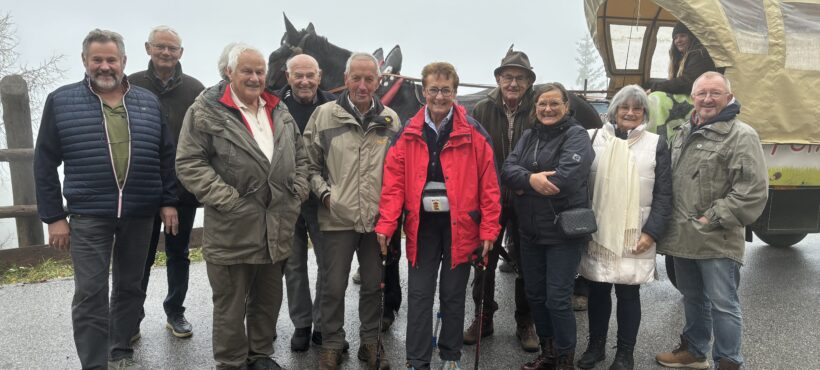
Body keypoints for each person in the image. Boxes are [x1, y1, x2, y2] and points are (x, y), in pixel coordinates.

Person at [33, 29, 178, 370]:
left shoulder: (147, 102)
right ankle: (94, 363)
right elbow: (44, 161)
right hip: (88, 214)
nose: (104, 66)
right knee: (90, 292)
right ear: (85, 61)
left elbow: (165, 156)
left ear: (124, 62)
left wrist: (168, 200)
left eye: (111, 59)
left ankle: (120, 348)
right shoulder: (61, 100)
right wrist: (54, 217)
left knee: (130, 286)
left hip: (141, 212)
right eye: (97, 59)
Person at [175, 43, 309, 370]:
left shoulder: (278, 109)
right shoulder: (205, 111)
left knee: (268, 299)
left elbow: (301, 157)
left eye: (259, 71)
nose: (254, 77)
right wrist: (228, 200)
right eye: (247, 71)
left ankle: (260, 355)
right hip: (233, 226)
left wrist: (298, 191)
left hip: (276, 223)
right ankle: (231, 361)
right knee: (230, 306)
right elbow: (189, 162)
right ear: (229, 72)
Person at [376, 62, 502, 370]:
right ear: (423, 92)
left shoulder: (474, 132)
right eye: (433, 89)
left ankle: (450, 356)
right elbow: (393, 184)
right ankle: (417, 360)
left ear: (456, 93)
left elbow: (490, 185)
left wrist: (489, 229)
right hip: (423, 224)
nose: (440, 96)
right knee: (419, 293)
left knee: (452, 293)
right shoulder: (407, 133)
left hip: (462, 225)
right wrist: (387, 224)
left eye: (446, 90)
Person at [655, 72, 768, 370]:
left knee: (723, 304)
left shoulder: (742, 135)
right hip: (683, 235)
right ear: (692, 98)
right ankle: (694, 351)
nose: (707, 99)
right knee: (693, 297)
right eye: (701, 93)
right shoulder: (682, 131)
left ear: (728, 98)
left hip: (716, 236)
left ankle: (729, 361)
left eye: (715, 93)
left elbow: (752, 191)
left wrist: (710, 218)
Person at [303, 52, 401, 370]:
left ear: (378, 81)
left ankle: (370, 344)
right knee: (333, 286)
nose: (362, 85)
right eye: (356, 78)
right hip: (336, 218)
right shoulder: (323, 116)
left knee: (374, 285)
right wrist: (327, 196)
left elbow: (398, 173)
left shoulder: (391, 120)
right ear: (345, 79)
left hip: (376, 221)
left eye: (369, 79)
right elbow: (308, 165)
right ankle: (332, 344)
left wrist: (389, 212)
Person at [576, 85, 673, 370]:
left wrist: (651, 232)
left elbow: (664, 194)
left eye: (637, 108)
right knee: (597, 291)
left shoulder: (656, 143)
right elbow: (580, 185)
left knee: (628, 293)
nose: (630, 113)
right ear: (614, 110)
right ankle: (596, 347)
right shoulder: (592, 139)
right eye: (624, 107)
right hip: (598, 231)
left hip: (636, 233)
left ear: (644, 112)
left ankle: (625, 353)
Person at [501, 82, 595, 370]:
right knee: (536, 295)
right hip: (530, 231)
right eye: (542, 103)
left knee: (557, 298)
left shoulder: (576, 136)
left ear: (566, 107)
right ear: (535, 107)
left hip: (562, 233)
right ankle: (549, 352)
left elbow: (564, 180)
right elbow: (507, 170)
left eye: (555, 103)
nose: (548, 109)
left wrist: (523, 183)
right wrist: (532, 180)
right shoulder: (529, 135)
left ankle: (565, 358)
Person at [129, 25, 204, 339]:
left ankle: (175, 312)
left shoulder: (194, 89)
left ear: (181, 53)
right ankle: (131, 317)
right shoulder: (130, 85)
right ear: (148, 48)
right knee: (140, 256)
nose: (166, 53)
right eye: (160, 47)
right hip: (143, 188)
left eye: (172, 48)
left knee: (178, 253)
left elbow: (204, 137)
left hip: (182, 188)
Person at [468, 48, 539, 352]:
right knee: (483, 260)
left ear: (528, 81)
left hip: (527, 198)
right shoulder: (482, 109)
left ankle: (526, 322)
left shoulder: (539, 108)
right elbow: (470, 153)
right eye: (508, 76)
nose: (513, 83)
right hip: (490, 200)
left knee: (527, 263)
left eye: (520, 78)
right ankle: (484, 317)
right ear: (498, 79)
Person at [274, 53, 336, 352]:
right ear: (288, 77)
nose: (305, 81)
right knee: (293, 265)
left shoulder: (333, 108)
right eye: (298, 75)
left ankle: (323, 325)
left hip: (322, 199)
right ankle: (302, 323)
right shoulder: (273, 107)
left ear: (320, 76)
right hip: (286, 199)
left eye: (310, 75)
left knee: (328, 264)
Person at [647, 22, 717, 142]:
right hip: (689, 95)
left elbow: (687, 82)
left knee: (656, 97)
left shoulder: (699, 54)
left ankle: (661, 138)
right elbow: (676, 82)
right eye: (675, 37)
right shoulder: (680, 57)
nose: (678, 40)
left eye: (682, 36)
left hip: (700, 99)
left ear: (691, 36)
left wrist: (655, 88)